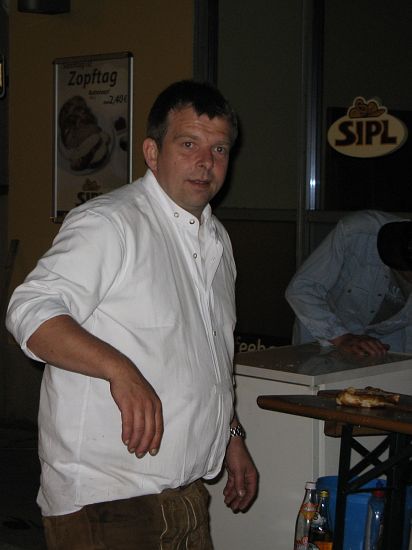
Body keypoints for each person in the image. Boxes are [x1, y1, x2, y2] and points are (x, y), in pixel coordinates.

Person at [6, 80, 258, 549]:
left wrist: (231, 435)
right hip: (108, 501)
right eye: (189, 144)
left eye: (219, 149)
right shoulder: (110, 223)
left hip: (185, 493)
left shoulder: (216, 240)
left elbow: (210, 356)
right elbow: (30, 309)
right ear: (152, 152)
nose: (206, 162)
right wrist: (120, 369)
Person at [285, 209, 412, 357]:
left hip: (388, 337)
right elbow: (302, 288)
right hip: (323, 328)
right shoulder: (360, 231)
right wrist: (341, 337)